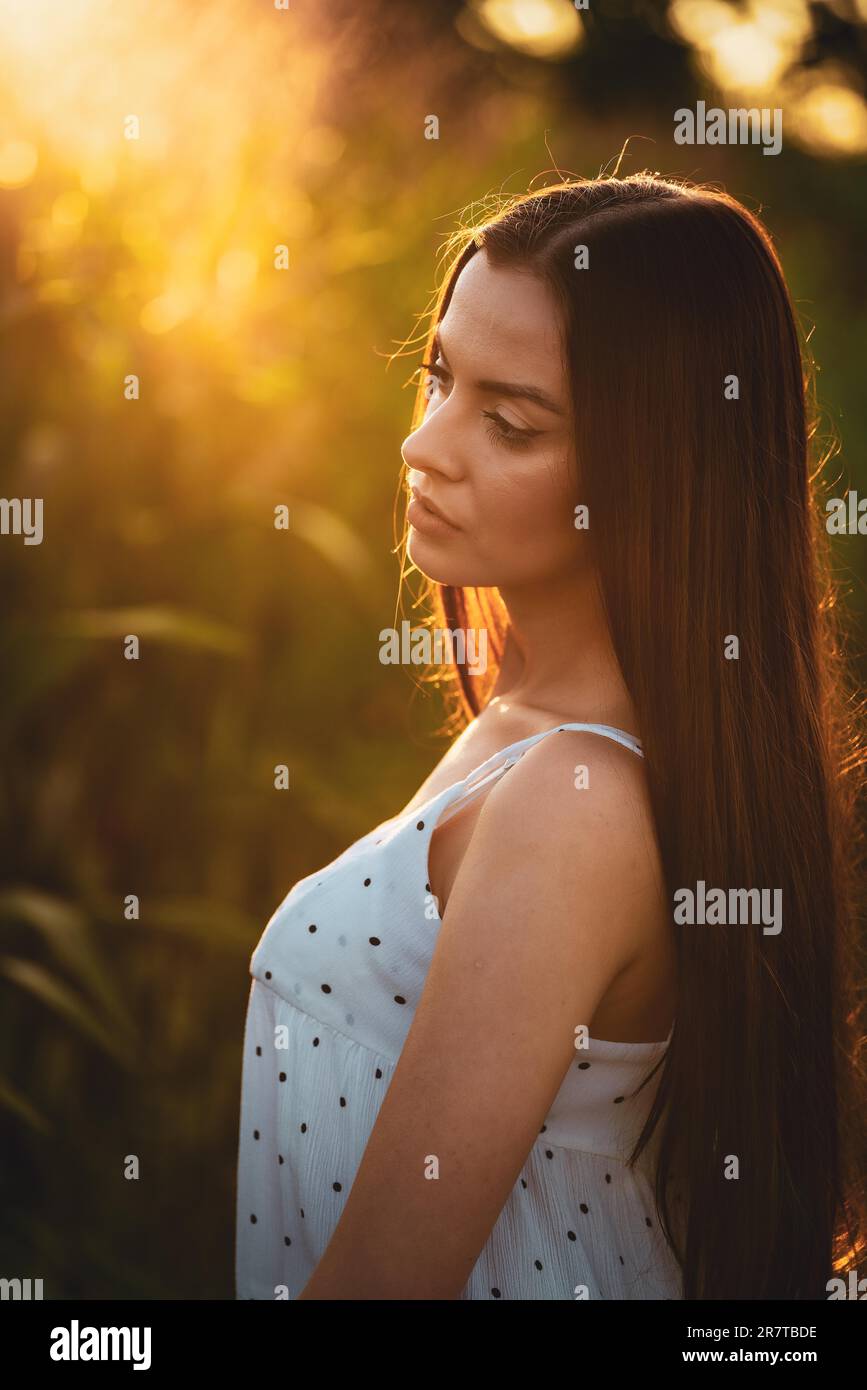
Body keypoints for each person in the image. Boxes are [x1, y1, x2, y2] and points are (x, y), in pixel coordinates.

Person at [235, 173, 866, 1300]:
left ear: (653, 469)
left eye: (510, 421)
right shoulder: (531, 734)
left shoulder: (573, 802)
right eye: (437, 376)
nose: (424, 446)